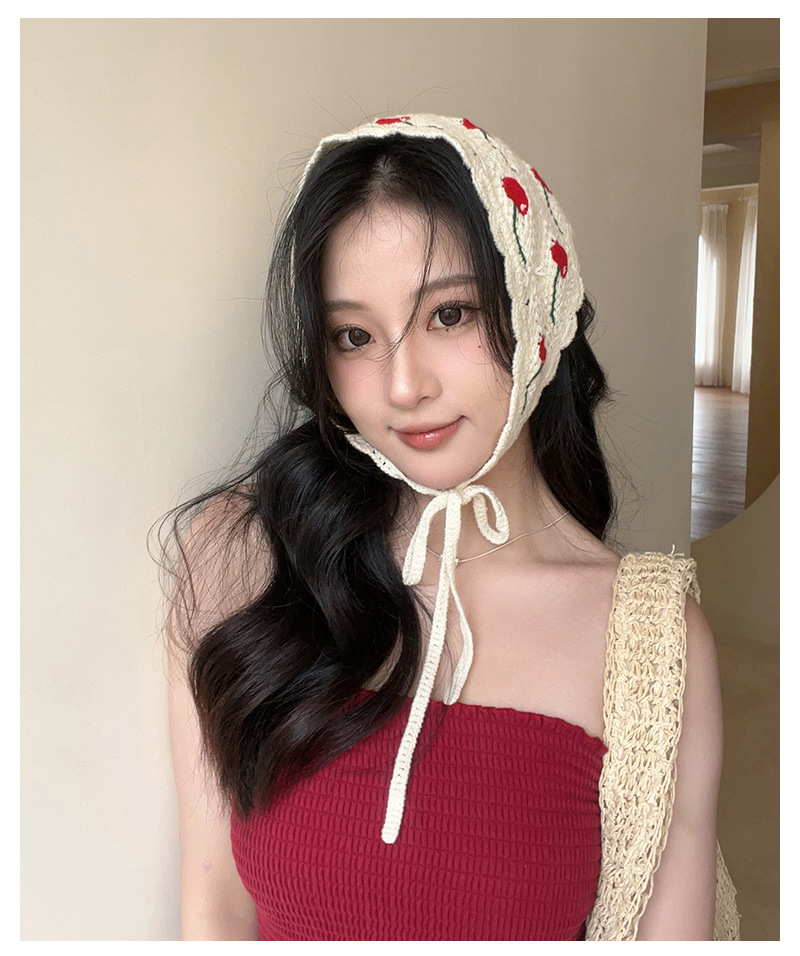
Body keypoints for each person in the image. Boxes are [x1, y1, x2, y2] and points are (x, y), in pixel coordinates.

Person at [163, 114, 739, 941]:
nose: (403, 386)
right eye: (354, 336)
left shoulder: (646, 639)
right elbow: (212, 913)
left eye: (450, 314)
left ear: (539, 309)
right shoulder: (240, 560)